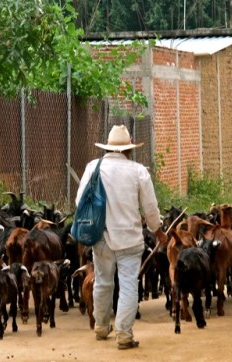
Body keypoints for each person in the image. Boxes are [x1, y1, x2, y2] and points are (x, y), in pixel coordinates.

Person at [75, 124, 167, 350]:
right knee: (128, 285)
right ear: (128, 149)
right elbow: (150, 208)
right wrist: (158, 232)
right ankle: (124, 334)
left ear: (108, 147)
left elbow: (79, 202)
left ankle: (100, 325)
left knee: (103, 282)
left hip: (101, 237)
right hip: (130, 240)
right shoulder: (138, 171)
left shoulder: (92, 168)